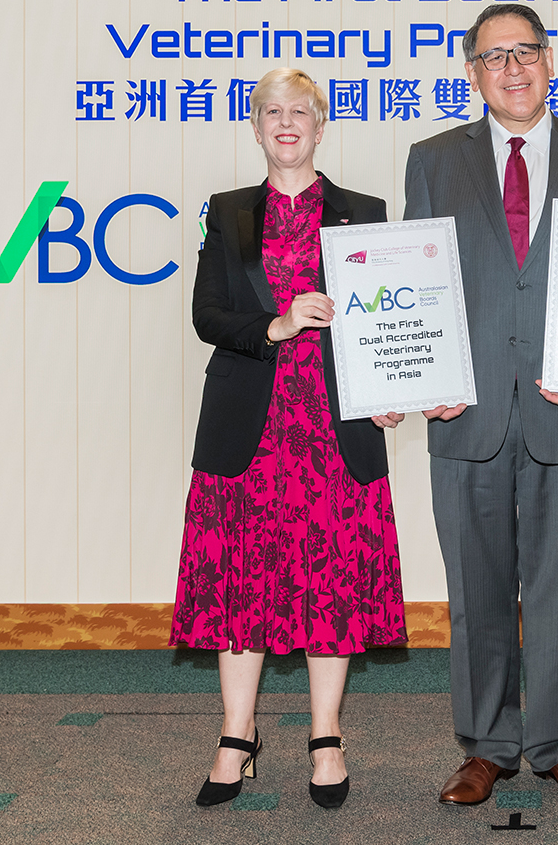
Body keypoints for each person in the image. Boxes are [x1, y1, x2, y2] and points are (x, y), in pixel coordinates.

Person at [392, 3, 558, 807]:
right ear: (472, 73)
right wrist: (418, 374)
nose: (512, 68)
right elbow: (413, 281)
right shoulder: (432, 158)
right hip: (464, 410)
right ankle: (486, 744)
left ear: (549, 60)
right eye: (493, 57)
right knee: (476, 588)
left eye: (525, 51)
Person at [171, 68, 406, 811]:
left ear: (320, 123)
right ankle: (236, 733)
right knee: (242, 581)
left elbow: (388, 315)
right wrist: (274, 325)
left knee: (329, 581)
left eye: (299, 111)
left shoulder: (363, 210)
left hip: (334, 429)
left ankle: (326, 734)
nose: (285, 123)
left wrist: (390, 389)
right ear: (255, 124)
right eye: (271, 111)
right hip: (250, 426)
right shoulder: (230, 211)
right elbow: (208, 314)